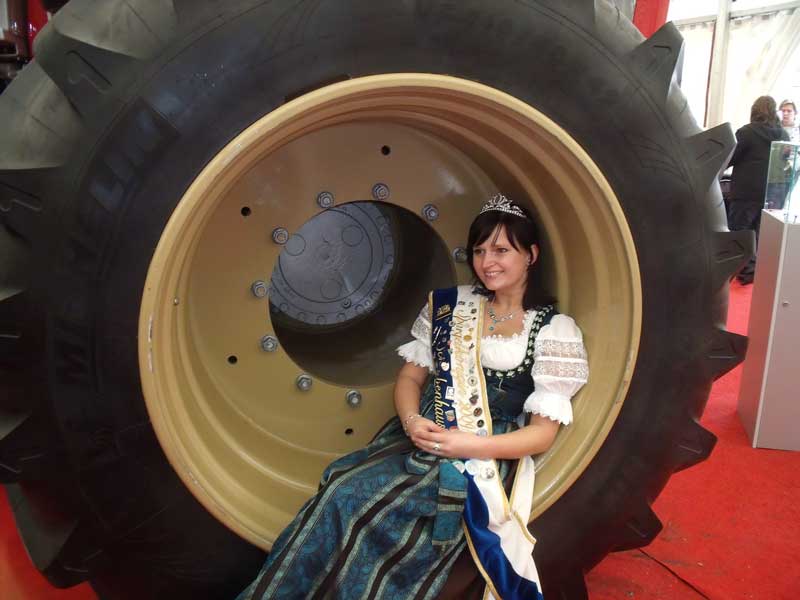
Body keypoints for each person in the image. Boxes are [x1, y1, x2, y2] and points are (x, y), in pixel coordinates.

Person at [237, 194, 589, 600]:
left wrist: (467, 445)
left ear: (531, 255)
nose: (487, 262)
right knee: (340, 490)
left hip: (484, 455)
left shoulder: (553, 330)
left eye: (501, 251)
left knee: (373, 511)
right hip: (420, 436)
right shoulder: (452, 306)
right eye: (479, 251)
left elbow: (542, 434)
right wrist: (411, 421)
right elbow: (409, 378)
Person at [728, 96, 790, 284]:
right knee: (760, 233)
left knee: (740, 231)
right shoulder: (783, 135)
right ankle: (754, 270)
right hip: (773, 193)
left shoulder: (746, 132)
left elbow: (729, 157)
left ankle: (739, 269)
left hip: (746, 192)